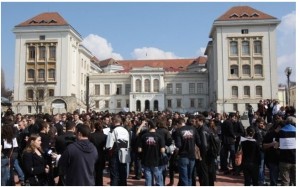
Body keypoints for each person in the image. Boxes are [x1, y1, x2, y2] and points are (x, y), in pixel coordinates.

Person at [138, 120, 165, 186]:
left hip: (146, 160)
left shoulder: (144, 136)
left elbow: (139, 149)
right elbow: (162, 150)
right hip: (157, 161)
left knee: (148, 180)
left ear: (149, 126)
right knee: (159, 180)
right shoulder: (160, 136)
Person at [175, 117, 201, 186]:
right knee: (190, 176)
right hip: (192, 154)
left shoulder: (178, 131)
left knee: (184, 176)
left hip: (183, 155)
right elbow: (199, 142)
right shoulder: (193, 129)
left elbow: (178, 145)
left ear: (178, 124)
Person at [106, 115, 130, 186]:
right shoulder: (126, 130)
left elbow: (109, 146)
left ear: (114, 121)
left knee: (114, 175)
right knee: (123, 174)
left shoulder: (113, 131)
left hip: (115, 154)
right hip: (124, 153)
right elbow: (128, 143)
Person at [278, 117, 296, 186]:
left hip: (284, 160)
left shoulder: (281, 131)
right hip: (295, 159)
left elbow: (277, 144)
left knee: (285, 182)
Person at [89, 121, 107, 186]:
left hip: (92, 155)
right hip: (101, 155)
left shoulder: (91, 135)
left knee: (92, 172)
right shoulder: (105, 136)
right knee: (100, 173)